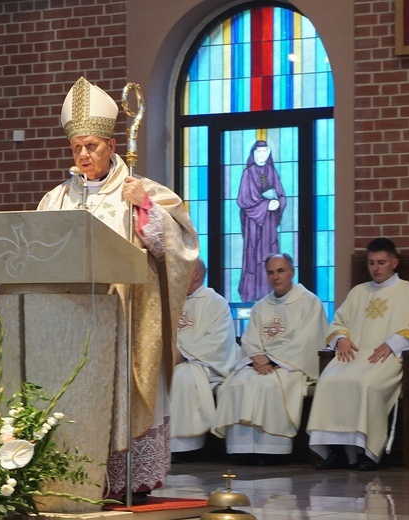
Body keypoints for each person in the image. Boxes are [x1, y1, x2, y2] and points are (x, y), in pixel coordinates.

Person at [38, 77, 199, 502]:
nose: (84, 154)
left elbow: (182, 252)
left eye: (91, 145)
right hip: (69, 323)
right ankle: (72, 477)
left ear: (111, 145)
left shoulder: (144, 192)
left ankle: (127, 481)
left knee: (123, 397)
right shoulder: (54, 199)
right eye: (77, 148)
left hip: (126, 318)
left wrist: (145, 209)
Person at [307, 237, 409, 471]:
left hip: (388, 358)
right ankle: (337, 452)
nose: (375, 268)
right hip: (353, 356)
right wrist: (342, 338)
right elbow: (338, 321)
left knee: (366, 384)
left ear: (394, 262)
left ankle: (367, 452)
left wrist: (393, 342)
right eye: (371, 263)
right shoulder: (358, 292)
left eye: (381, 262)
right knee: (328, 380)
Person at [212, 253, 327, 463]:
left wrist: (274, 361)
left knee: (269, 385)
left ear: (292, 272)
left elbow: (308, 341)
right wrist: (257, 359)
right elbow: (250, 339)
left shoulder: (310, 302)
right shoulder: (262, 306)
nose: (276, 277)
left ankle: (271, 451)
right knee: (238, 383)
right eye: (271, 272)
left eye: (281, 271)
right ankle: (242, 449)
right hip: (261, 364)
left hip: (291, 365)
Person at [170, 258, 240, 456]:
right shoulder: (174, 301)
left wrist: (182, 354)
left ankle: (184, 446)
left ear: (196, 274)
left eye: (181, 269)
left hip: (204, 363)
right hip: (173, 359)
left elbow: (218, 340)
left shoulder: (216, 302)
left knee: (181, 377)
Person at [237, 140, 287, 302]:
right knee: (254, 256)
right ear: (254, 154)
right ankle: (252, 294)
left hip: (269, 225)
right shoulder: (248, 173)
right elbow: (243, 199)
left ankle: (270, 292)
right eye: (259, 152)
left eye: (265, 151)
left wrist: (278, 203)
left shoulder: (272, 171)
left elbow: (281, 194)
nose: (262, 155)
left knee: (269, 253)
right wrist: (266, 205)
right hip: (254, 224)